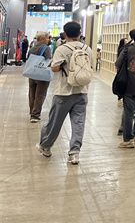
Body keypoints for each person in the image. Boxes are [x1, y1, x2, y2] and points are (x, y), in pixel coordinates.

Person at [36, 21, 94, 165]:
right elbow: (91, 67)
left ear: (65, 34)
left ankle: (46, 146)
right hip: (82, 91)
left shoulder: (62, 49)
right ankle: (74, 153)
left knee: (55, 122)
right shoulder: (87, 49)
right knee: (78, 123)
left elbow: (54, 68)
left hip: (64, 92)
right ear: (79, 33)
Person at [28, 31, 53, 122]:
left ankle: (32, 112)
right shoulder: (46, 48)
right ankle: (35, 115)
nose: (48, 39)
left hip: (32, 73)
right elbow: (48, 60)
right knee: (40, 95)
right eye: (47, 38)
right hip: (42, 75)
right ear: (41, 39)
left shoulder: (32, 48)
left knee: (32, 94)